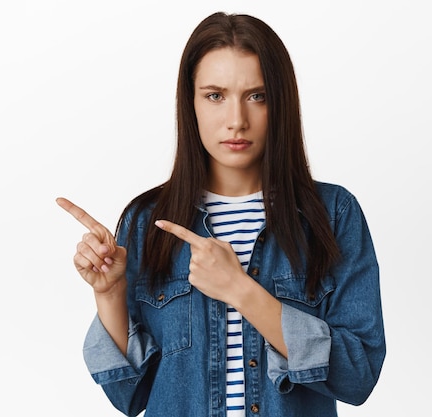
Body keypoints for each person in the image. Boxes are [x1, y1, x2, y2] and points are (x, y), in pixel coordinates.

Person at [57, 11, 385, 417]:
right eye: (215, 95)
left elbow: (359, 376)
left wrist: (241, 290)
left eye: (257, 96)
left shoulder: (332, 214)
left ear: (281, 103)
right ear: (190, 103)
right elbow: (130, 397)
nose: (236, 120)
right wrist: (109, 296)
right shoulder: (148, 222)